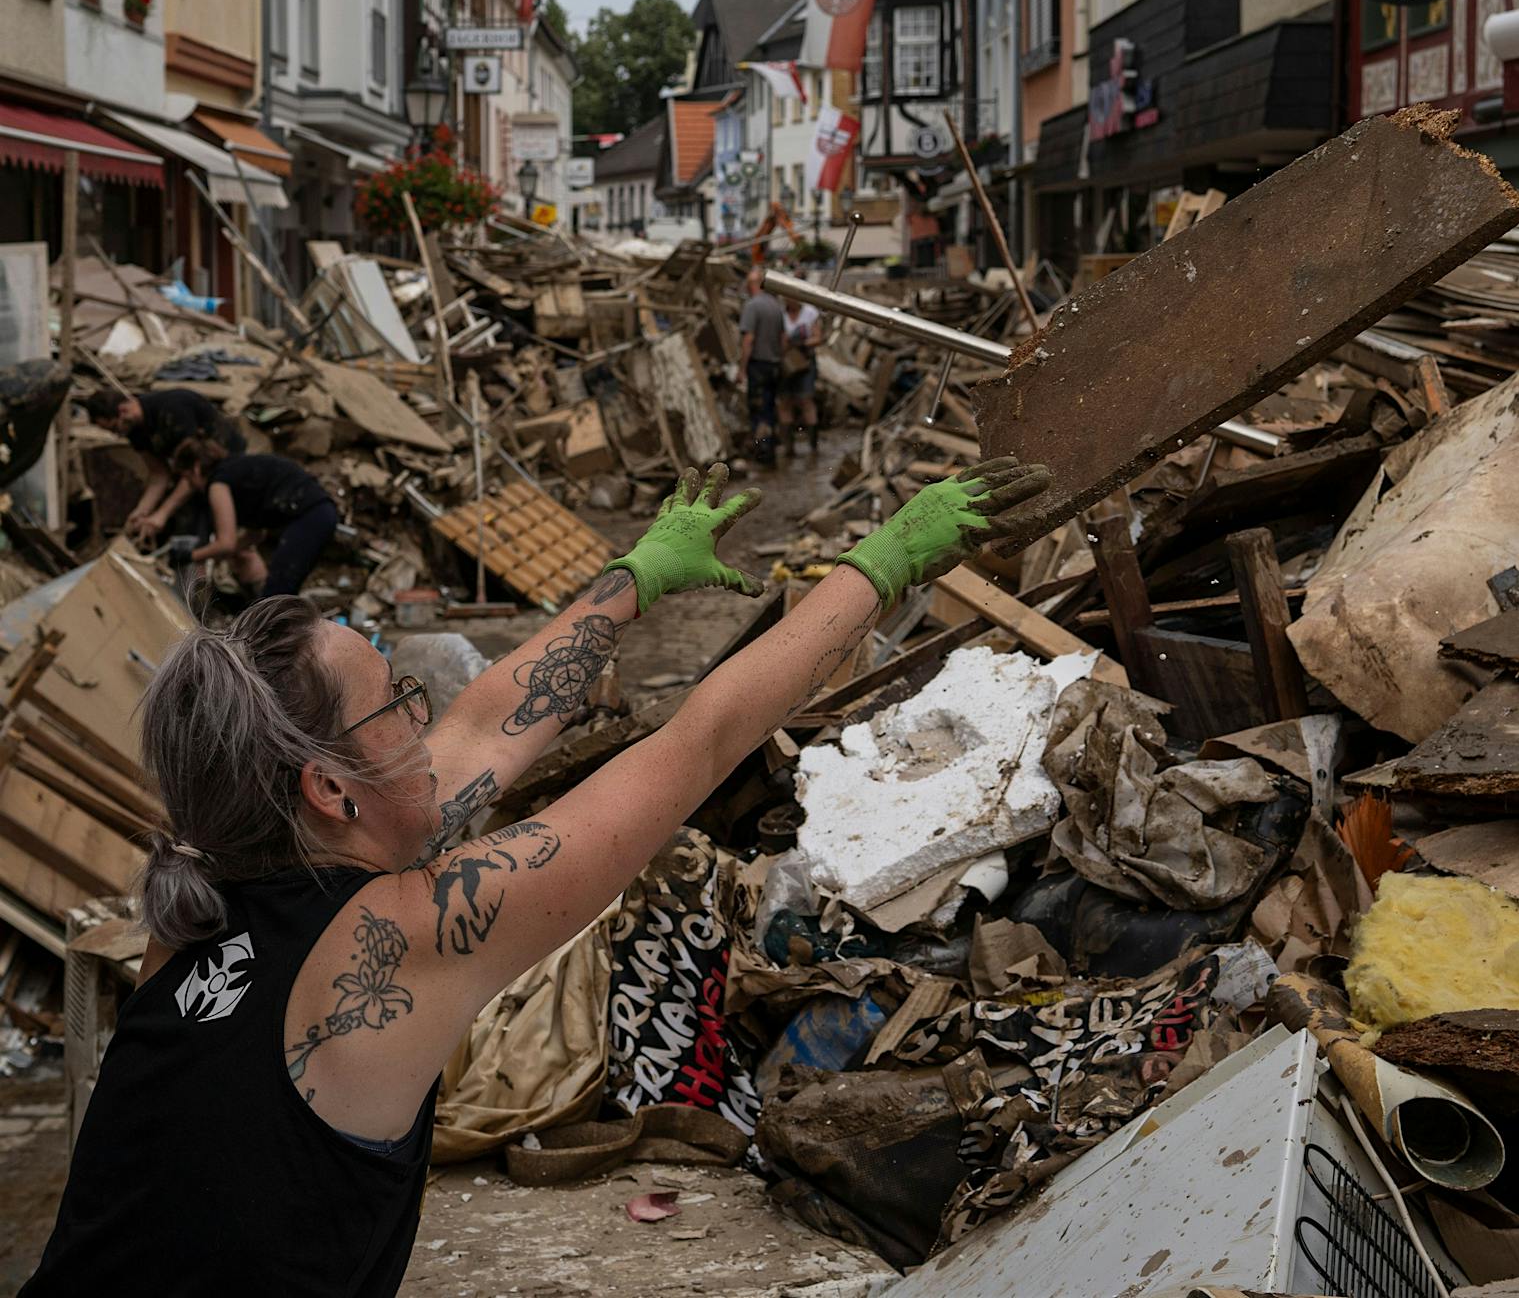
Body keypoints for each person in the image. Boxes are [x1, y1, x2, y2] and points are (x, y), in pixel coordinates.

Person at [23, 457, 1051, 1295]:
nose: (425, 718)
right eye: (397, 706)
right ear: (329, 789)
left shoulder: (195, 908)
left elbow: (480, 729)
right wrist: (878, 566)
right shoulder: (400, 936)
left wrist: (635, 578)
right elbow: (698, 742)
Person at [170, 439, 339, 600]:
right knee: (280, 588)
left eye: (188, 479)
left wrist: (189, 556)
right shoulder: (236, 471)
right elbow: (255, 535)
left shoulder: (218, 483)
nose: (191, 486)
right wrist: (219, 555)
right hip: (322, 512)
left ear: (196, 469)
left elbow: (226, 543)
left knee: (277, 591)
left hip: (310, 514)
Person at [82, 386, 247, 544]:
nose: (118, 434)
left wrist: (162, 514)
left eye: (115, 428)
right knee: (185, 529)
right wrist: (141, 511)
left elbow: (197, 470)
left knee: (211, 529)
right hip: (195, 475)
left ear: (123, 411)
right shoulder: (134, 429)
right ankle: (191, 563)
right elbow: (159, 475)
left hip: (224, 466)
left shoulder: (174, 408)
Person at [737, 265, 787, 467]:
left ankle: (763, 452)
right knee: (769, 407)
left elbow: (748, 339)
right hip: (774, 365)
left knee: (758, 409)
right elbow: (783, 339)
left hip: (758, 365)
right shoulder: (776, 306)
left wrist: (742, 368)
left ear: (753, 284)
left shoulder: (752, 306)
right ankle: (771, 449)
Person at [778, 292, 823, 457]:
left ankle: (813, 445)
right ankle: (789, 447)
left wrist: (802, 343)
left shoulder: (810, 313)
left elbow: (818, 337)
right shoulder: (780, 314)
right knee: (785, 401)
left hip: (805, 362)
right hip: (786, 363)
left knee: (806, 400)